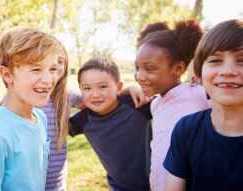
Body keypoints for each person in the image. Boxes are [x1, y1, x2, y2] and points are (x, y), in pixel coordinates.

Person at [0, 26, 60, 190]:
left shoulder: (40, 118)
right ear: (7, 75)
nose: (48, 80)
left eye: (53, 69)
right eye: (36, 69)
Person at [164, 19, 243, 191]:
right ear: (198, 74)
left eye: (242, 60)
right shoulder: (186, 130)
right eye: (215, 60)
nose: (228, 71)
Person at [134, 19, 212, 191]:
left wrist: (207, 81)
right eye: (137, 67)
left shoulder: (196, 94)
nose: (139, 76)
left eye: (149, 69)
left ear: (177, 68)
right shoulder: (156, 103)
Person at [69, 57, 153, 191]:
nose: (95, 94)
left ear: (119, 87)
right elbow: (56, 126)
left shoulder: (136, 104)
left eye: (102, 87)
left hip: (153, 184)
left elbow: (170, 102)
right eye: (87, 88)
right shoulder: (84, 120)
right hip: (117, 187)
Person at [37, 43, 84, 190]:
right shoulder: (27, 94)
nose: (56, 65)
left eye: (60, 61)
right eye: (50, 60)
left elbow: (96, 101)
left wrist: (128, 91)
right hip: (27, 182)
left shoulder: (67, 95)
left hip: (56, 182)